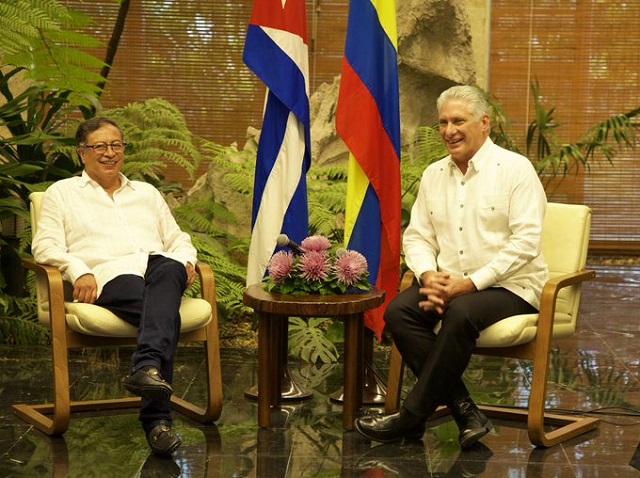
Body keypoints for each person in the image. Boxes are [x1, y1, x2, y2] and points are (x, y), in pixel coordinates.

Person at [354, 85, 549, 448]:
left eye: (458, 120)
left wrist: (470, 283)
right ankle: (464, 410)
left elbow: (526, 243)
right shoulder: (433, 175)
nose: (449, 130)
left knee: (460, 311)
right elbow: (418, 237)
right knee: (399, 312)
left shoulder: (515, 170)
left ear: (484, 123)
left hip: (511, 286)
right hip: (448, 283)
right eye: (443, 122)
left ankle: (412, 417)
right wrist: (428, 274)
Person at [32, 117, 198, 456]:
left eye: (116, 145)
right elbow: (44, 246)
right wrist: (78, 271)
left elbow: (177, 238)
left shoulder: (147, 193)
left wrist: (188, 260)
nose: (109, 153)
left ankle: (145, 369)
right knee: (164, 313)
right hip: (110, 275)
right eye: (99, 146)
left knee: (170, 268)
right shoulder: (62, 193)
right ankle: (157, 420)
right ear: (82, 153)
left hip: (159, 267)